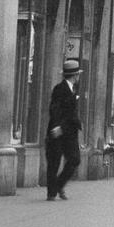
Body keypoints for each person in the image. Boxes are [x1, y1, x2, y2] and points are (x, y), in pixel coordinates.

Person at [45, 58, 83, 201]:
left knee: (74, 159)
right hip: (59, 131)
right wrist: (57, 127)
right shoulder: (59, 89)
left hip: (70, 131)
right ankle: (51, 193)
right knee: (54, 162)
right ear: (75, 75)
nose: (79, 77)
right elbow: (54, 109)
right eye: (78, 74)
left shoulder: (73, 89)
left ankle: (58, 185)